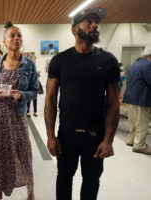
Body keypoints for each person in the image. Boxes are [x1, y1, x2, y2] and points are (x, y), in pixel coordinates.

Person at [44, 8, 120, 200]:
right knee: (64, 179)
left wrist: (108, 140)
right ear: (74, 30)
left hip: (95, 135)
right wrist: (50, 136)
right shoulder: (59, 61)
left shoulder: (108, 61)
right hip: (67, 134)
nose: (95, 25)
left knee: (92, 182)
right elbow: (51, 99)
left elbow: (113, 103)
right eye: (88, 21)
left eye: (96, 22)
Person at [0, 21, 38, 200]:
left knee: (23, 153)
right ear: (4, 41)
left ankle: (30, 190)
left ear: (22, 41)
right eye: (12, 35)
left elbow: (34, 90)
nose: (16, 38)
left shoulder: (28, 64)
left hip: (17, 114)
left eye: (19, 35)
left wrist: (21, 95)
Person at [123, 48, 151, 155]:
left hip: (131, 98)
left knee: (134, 123)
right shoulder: (148, 65)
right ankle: (139, 146)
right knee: (142, 124)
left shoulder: (136, 64)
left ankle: (131, 141)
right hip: (141, 99)